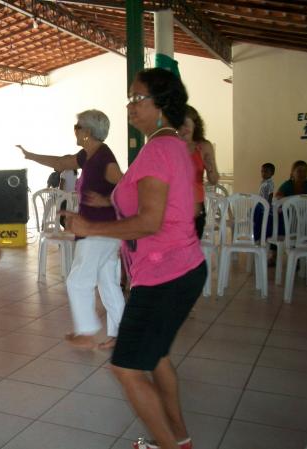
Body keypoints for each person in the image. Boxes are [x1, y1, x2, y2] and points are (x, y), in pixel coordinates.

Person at [63, 68, 206, 449]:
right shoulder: (169, 143)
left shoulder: (159, 148)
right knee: (156, 358)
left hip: (166, 274)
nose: (130, 105)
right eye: (130, 97)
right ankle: (179, 439)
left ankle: (170, 445)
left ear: (161, 104)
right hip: (176, 268)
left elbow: (148, 221)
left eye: (137, 97)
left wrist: (91, 228)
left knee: (125, 366)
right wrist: (108, 202)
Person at [18, 109, 125, 350]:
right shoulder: (89, 155)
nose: (74, 131)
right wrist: (30, 155)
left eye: (77, 127)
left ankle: (86, 333)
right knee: (108, 283)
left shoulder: (104, 159)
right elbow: (60, 162)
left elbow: (128, 187)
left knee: (77, 281)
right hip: (103, 231)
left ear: (87, 132)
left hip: (98, 230)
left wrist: (106, 201)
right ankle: (121, 336)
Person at [178, 105, 219, 239]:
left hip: (196, 208)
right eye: (179, 125)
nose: (183, 129)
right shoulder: (171, 145)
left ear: (195, 125)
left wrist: (210, 166)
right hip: (174, 207)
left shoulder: (203, 146)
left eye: (186, 124)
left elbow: (214, 180)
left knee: (190, 251)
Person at [254, 162, 275, 243]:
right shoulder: (263, 182)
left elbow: (270, 195)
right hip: (260, 203)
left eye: (266, 171)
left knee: (262, 220)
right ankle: (255, 236)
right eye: (262, 171)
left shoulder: (270, 183)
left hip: (264, 205)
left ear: (272, 173)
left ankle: (259, 237)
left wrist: (268, 207)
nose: (263, 173)